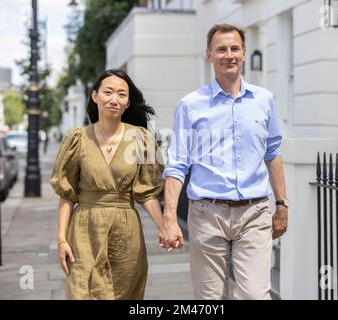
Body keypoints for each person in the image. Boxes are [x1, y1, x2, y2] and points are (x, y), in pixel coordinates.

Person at [160, 23, 288, 300]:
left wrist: (281, 204)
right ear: (209, 54)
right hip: (207, 214)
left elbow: (273, 153)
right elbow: (177, 163)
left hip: (253, 213)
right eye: (221, 49)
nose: (228, 55)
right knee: (211, 298)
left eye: (234, 48)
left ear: (243, 53)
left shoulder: (264, 100)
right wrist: (169, 217)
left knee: (255, 295)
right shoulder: (191, 105)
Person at [50, 69, 164, 300]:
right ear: (95, 96)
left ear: (127, 102)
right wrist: (61, 239)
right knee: (81, 291)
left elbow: (147, 193)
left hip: (126, 233)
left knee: (124, 292)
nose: (114, 99)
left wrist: (165, 227)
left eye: (121, 94)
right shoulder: (77, 139)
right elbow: (67, 194)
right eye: (108, 92)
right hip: (84, 230)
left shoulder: (141, 139)